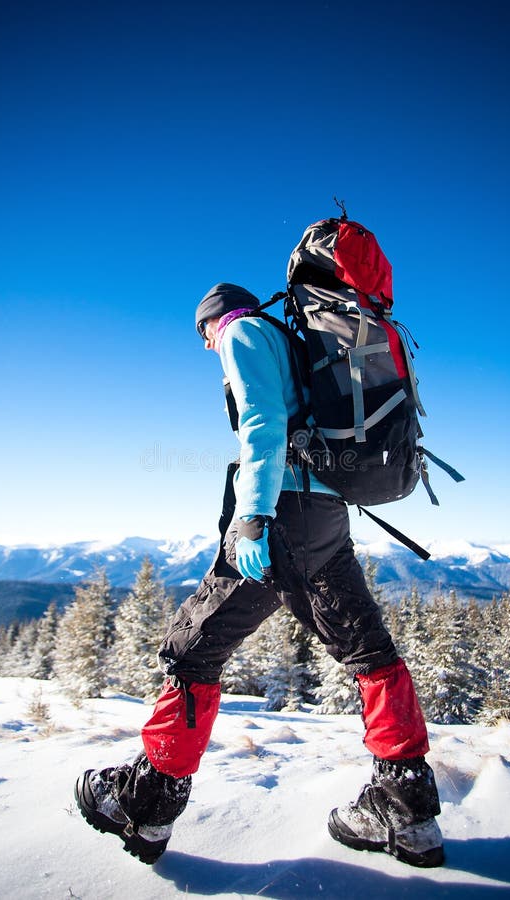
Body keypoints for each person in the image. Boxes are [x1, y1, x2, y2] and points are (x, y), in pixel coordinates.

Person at [75, 283, 444, 868]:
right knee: (369, 650)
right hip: (325, 515)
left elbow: (263, 424)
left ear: (214, 320)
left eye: (203, 334)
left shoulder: (241, 332)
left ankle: (145, 802)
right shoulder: (288, 339)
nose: (205, 346)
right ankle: (407, 808)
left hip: (281, 513)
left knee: (193, 649)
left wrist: (253, 517)